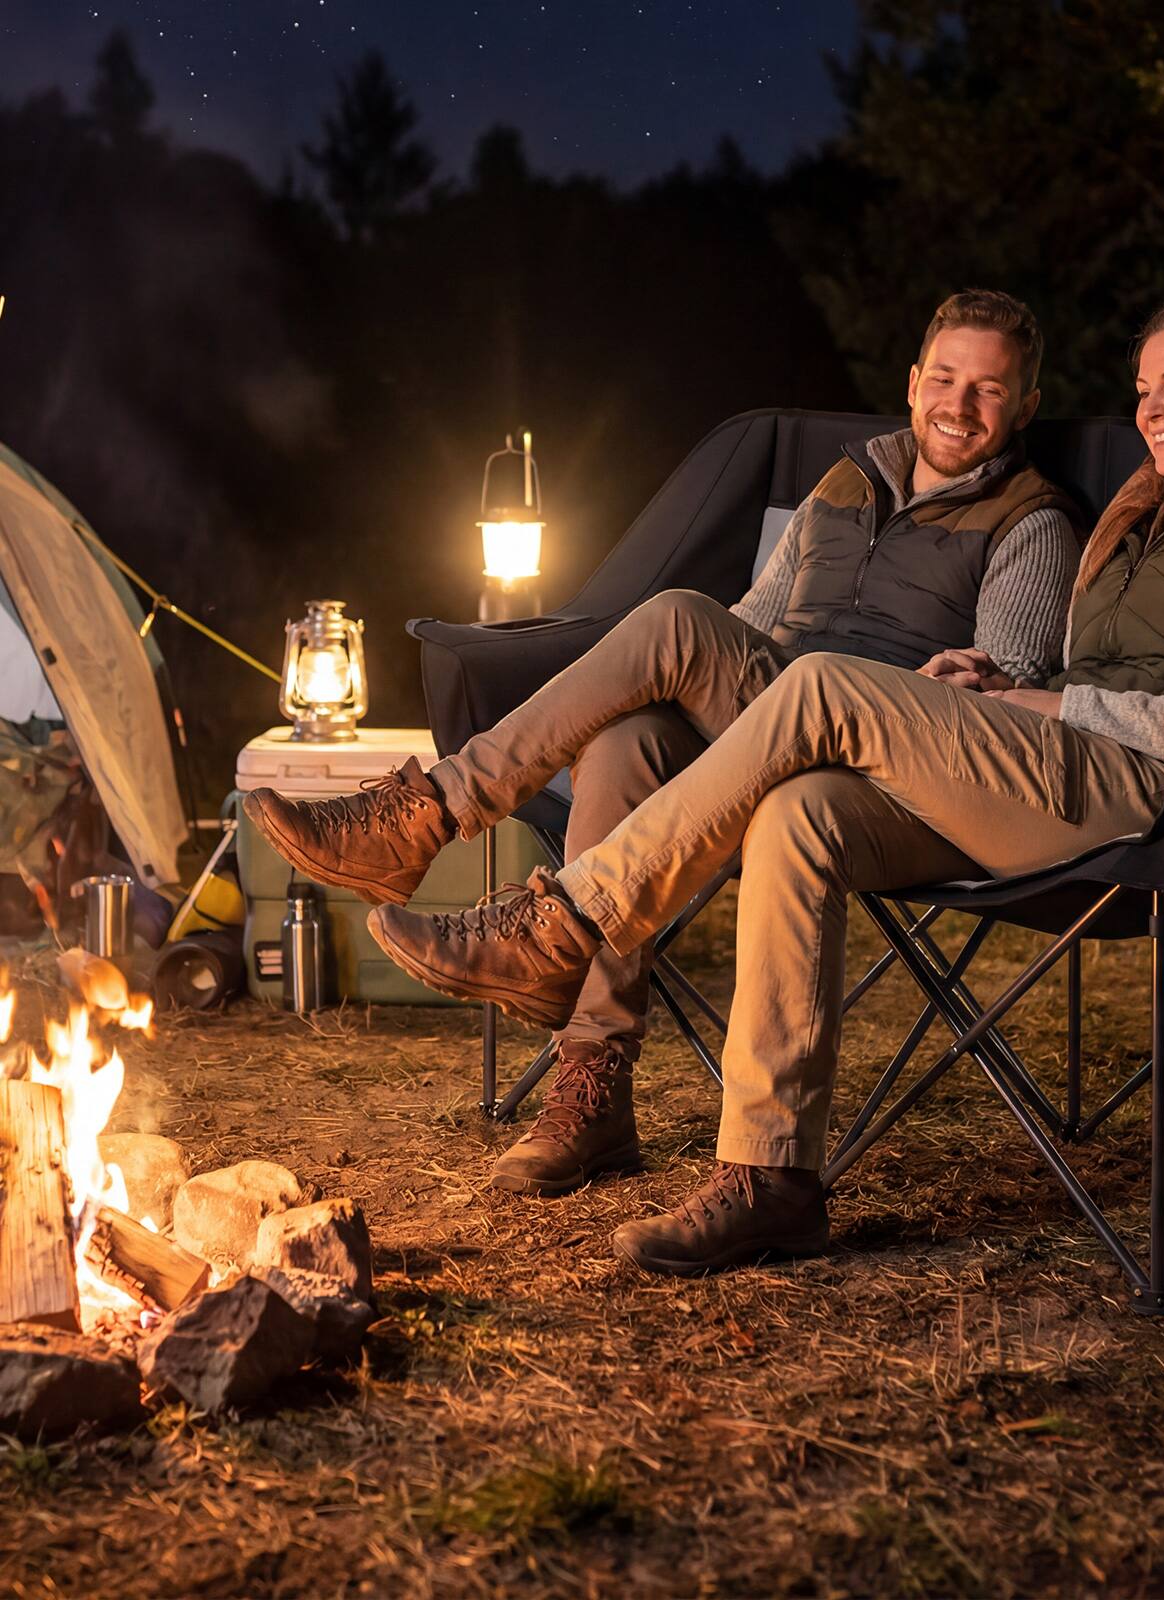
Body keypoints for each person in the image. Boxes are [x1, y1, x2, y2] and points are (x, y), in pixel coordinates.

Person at [324, 296, 1164, 1277]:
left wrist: (1051, 704)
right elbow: (1069, 665)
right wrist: (1000, 684)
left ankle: (558, 915)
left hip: (1159, 794)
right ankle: (771, 1176)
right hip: (1040, 768)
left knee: (814, 679)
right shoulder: (1144, 512)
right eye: (1144, 387)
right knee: (801, 811)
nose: (1150, 407)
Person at [245, 288, 1082, 1198]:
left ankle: (425, 816)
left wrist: (953, 678)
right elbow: (753, 622)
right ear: (914, 382)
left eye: (989, 390)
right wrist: (683, 677)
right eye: (947, 379)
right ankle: (594, 1086)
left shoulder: (1031, 522)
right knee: (627, 743)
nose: (960, 405)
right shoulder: (844, 485)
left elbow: (996, 707)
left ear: (1025, 408)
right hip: (769, 722)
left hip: (877, 753)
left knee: (679, 620)